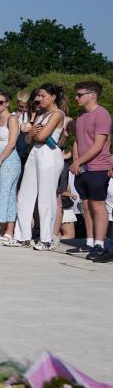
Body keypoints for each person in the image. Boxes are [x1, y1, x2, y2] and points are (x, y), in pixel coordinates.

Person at [13, 84, 67, 251]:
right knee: (25, 195)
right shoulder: (40, 114)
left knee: (46, 197)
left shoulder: (58, 114)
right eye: (38, 96)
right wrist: (32, 133)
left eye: (43, 96)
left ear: (53, 97)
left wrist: (32, 132)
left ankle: (46, 238)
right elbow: (28, 140)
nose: (39, 99)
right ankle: (22, 236)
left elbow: (42, 136)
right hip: (35, 153)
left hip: (49, 155)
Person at [71, 81, 112, 261]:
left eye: (79, 95)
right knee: (85, 206)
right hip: (83, 168)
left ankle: (100, 244)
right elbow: (77, 142)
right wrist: (76, 162)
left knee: (97, 206)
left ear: (92, 95)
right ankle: (89, 241)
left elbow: (98, 145)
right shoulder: (81, 117)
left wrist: (79, 161)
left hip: (98, 167)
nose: (76, 98)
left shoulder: (102, 115)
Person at [0, 91, 21, 244]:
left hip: (9, 160)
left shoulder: (12, 119)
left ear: (7, 103)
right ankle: (1, 230)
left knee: (7, 194)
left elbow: (12, 143)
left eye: (0, 102)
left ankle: (9, 231)